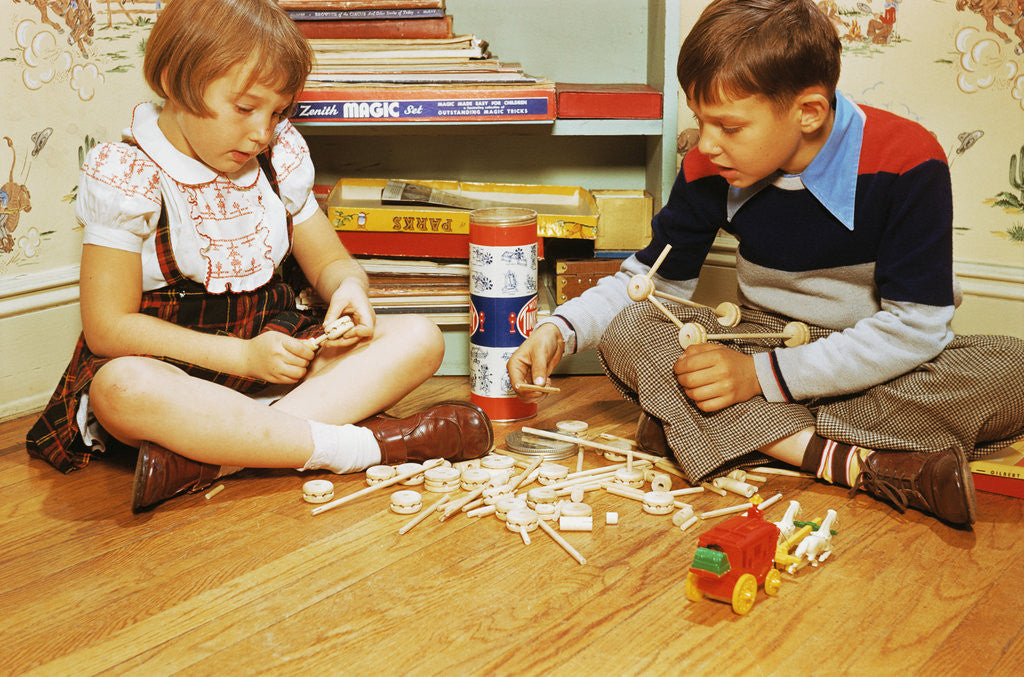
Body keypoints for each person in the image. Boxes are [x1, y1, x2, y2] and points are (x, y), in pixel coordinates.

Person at [508, 0, 1024, 527]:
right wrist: (560, 328)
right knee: (632, 331)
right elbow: (650, 283)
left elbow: (915, 329)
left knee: (1015, 371)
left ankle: (703, 427)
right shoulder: (708, 165)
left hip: (876, 357)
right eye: (699, 121)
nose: (707, 144)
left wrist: (759, 380)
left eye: (729, 127)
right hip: (756, 339)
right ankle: (850, 461)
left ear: (809, 112)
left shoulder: (910, 161)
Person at [26, 0, 492, 512]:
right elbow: (107, 328)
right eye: (246, 108)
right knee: (121, 387)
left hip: (280, 375)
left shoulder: (278, 158)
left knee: (419, 338)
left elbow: (332, 263)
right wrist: (242, 357)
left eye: (277, 113)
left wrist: (349, 290)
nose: (261, 132)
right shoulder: (128, 173)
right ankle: (362, 447)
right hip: (179, 383)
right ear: (172, 79)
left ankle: (215, 457)